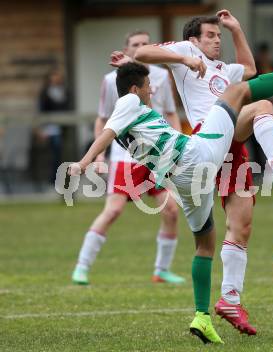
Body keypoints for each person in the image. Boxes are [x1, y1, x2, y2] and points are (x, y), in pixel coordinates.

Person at [69, 34, 273, 343]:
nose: (153, 89)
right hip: (197, 154)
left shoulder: (132, 111)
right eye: (148, 86)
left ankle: (202, 316)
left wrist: (128, 65)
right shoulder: (129, 101)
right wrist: (84, 162)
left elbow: (119, 130)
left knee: (205, 245)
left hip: (184, 183)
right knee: (243, 93)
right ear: (136, 89)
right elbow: (107, 130)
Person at [114, 10, 273, 335]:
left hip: (233, 144)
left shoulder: (224, 69)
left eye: (218, 36)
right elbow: (142, 53)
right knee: (262, 106)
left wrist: (237, 29)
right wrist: (184, 60)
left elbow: (252, 70)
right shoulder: (186, 52)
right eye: (211, 36)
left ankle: (229, 299)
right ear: (194, 40)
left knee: (241, 225)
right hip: (207, 138)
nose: (216, 41)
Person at [71, 30, 185, 286]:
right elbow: (104, 119)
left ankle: (161, 270)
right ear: (127, 48)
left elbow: (167, 113)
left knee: (170, 210)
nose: (141, 47)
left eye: (146, 44)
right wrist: (98, 155)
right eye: (136, 44)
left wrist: (175, 149)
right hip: (126, 156)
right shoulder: (111, 80)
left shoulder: (160, 77)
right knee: (113, 210)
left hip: (155, 156)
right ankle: (82, 266)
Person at [38, 69, 69, 184]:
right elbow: (41, 110)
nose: (56, 79)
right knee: (52, 153)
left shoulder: (64, 91)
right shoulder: (45, 92)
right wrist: (41, 129)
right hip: (49, 127)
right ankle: (52, 178)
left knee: (59, 153)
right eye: (54, 76)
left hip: (62, 127)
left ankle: (58, 177)